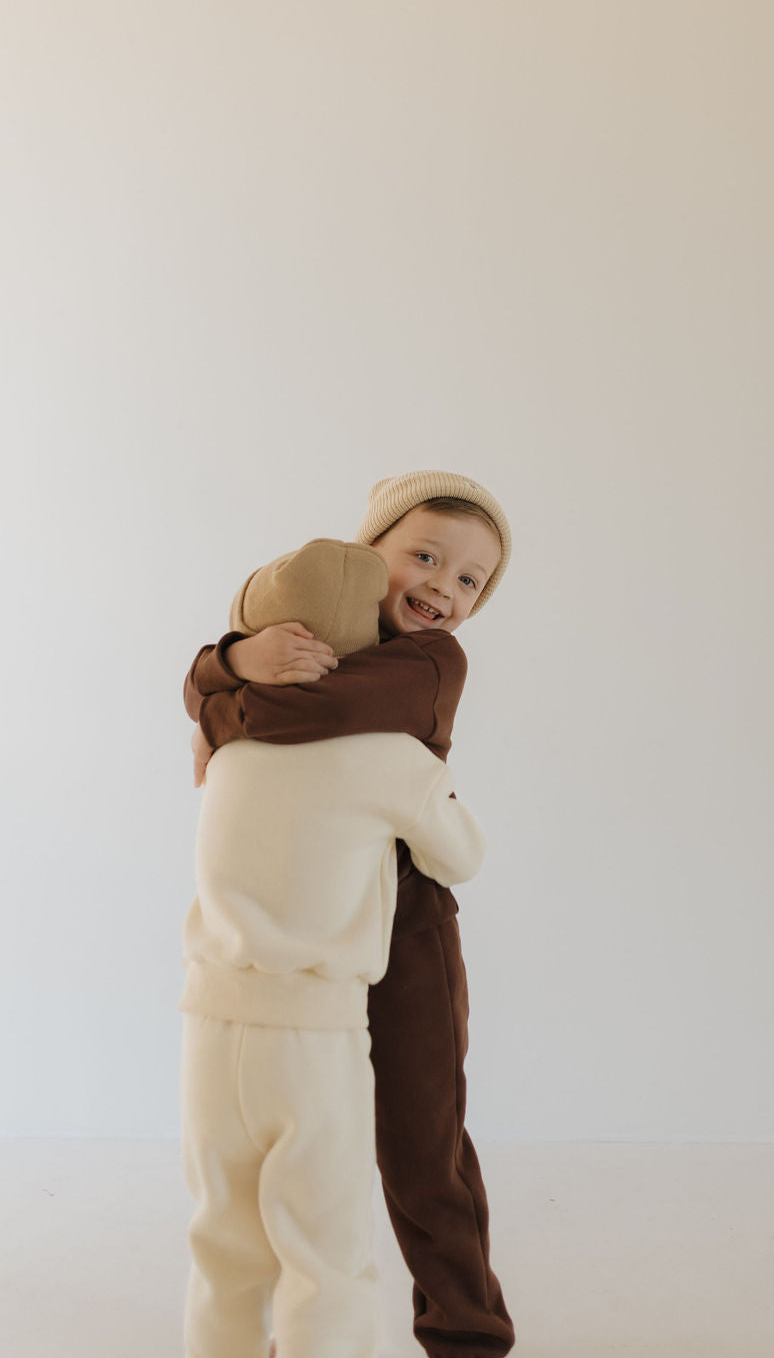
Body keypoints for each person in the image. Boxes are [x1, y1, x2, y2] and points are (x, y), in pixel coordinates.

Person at [185, 470, 516, 1358]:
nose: (444, 587)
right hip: (308, 945)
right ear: (369, 554)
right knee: (288, 1157)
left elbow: (309, 712)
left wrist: (228, 691)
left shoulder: (429, 664)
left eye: (471, 580)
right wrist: (228, 662)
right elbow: (208, 691)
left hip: (406, 929)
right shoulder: (304, 637)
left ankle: (467, 1335)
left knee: (421, 1146)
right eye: (425, 556)